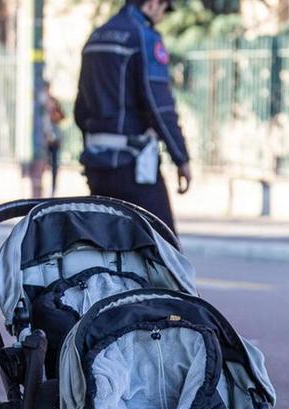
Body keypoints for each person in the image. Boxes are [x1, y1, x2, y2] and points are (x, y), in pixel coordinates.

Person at [74, 0, 191, 234]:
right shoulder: (144, 37)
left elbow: (81, 108)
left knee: (106, 250)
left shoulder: (96, 37)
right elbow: (160, 105)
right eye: (164, 9)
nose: (162, 17)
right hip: (133, 166)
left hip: (97, 165)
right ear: (153, 3)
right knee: (165, 249)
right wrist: (181, 158)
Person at [44, 82, 65, 196]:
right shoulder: (39, 103)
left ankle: (53, 189)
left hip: (54, 138)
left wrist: (54, 112)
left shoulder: (54, 101)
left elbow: (62, 116)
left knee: (54, 165)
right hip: (43, 139)